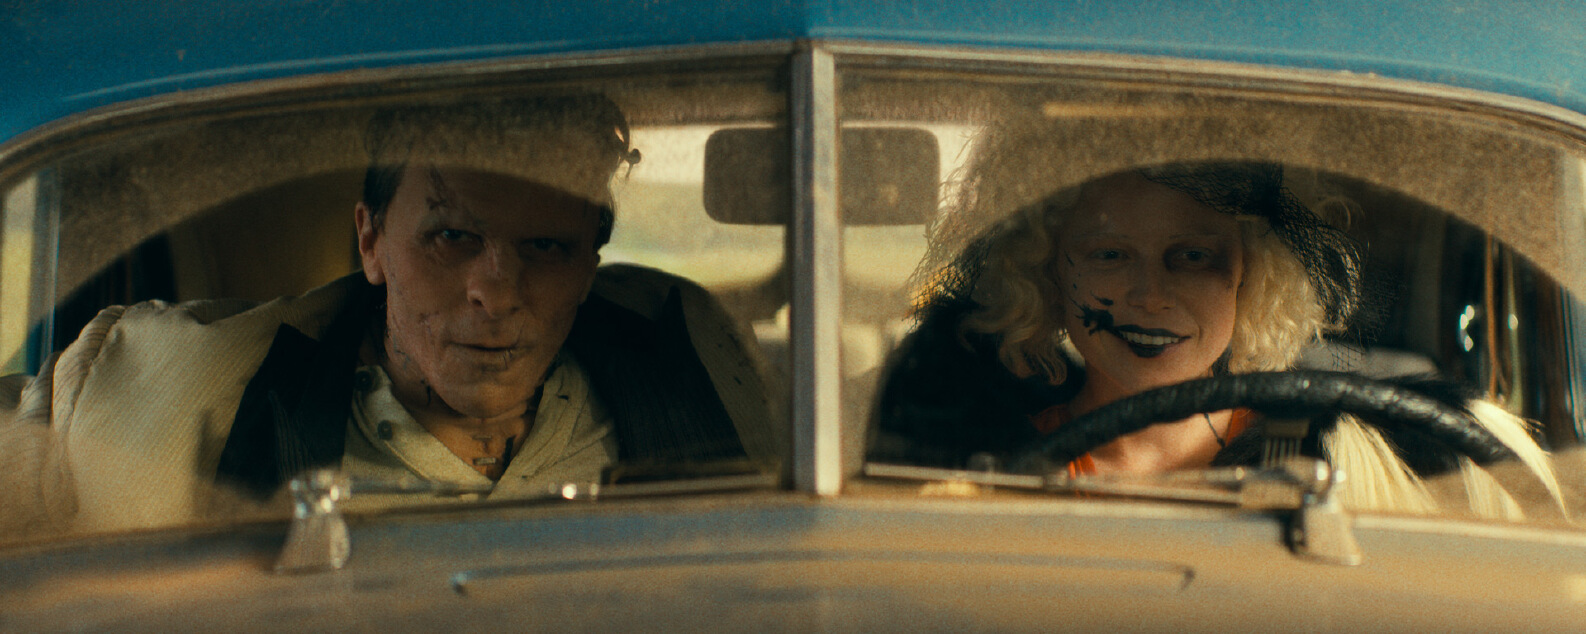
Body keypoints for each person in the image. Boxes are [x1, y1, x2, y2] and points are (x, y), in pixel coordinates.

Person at [0, 94, 777, 536]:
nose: (496, 291)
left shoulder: (696, 362)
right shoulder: (148, 391)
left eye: (546, 247)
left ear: (588, 269)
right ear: (371, 242)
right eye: (452, 237)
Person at [872, 160, 1564, 519]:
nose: (1150, 295)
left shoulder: (1355, 466)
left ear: (1249, 277)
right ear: (1047, 274)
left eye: (1192, 257)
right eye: (1110, 255)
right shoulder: (977, 480)